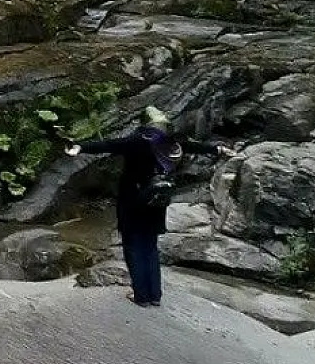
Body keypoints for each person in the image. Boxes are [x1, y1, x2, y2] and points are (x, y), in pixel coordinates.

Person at [64, 107, 235, 307]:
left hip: (133, 201)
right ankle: (155, 295)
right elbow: (194, 147)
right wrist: (218, 149)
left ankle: (141, 296)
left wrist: (80, 147)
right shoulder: (170, 143)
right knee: (150, 248)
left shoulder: (137, 141)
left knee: (133, 247)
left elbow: (109, 144)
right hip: (157, 201)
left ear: (144, 124)